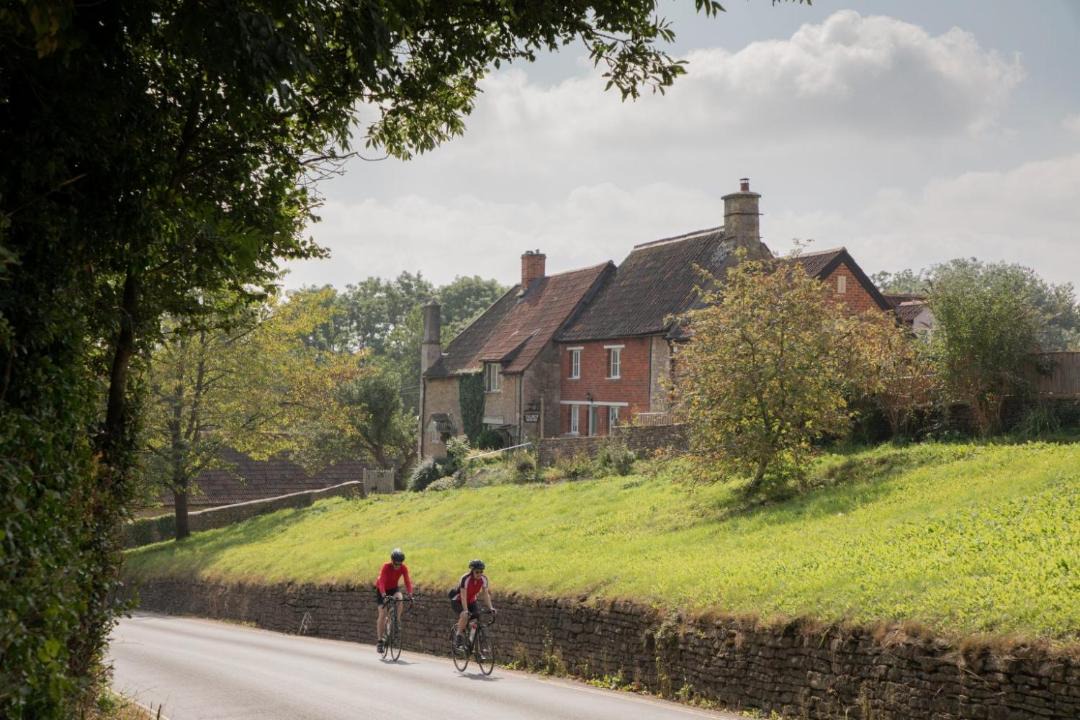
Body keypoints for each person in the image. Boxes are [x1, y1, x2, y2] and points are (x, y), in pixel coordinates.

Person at [450, 558, 496, 649]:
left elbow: (486, 594)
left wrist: (491, 608)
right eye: (477, 572)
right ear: (472, 571)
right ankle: (458, 636)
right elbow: (463, 596)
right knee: (465, 615)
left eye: (481, 571)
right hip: (458, 600)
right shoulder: (465, 579)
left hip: (471, 600)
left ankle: (471, 641)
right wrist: (466, 610)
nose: (479, 574)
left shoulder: (483, 579)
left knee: (477, 617)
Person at [374, 548, 412, 654]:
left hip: (393, 589)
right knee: (383, 613)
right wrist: (383, 595)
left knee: (400, 598)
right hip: (382, 589)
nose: (397, 566)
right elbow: (381, 582)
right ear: (392, 561)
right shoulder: (386, 567)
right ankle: (380, 641)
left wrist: (410, 594)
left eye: (400, 564)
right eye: (396, 564)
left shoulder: (403, 568)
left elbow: (407, 581)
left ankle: (396, 621)